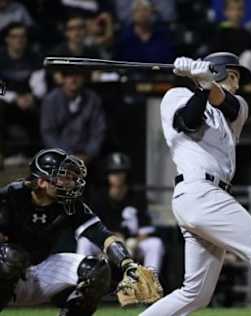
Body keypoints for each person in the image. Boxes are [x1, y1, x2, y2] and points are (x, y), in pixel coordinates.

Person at [140, 52, 251, 316]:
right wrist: (201, 84)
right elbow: (188, 123)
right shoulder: (176, 96)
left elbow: (227, 103)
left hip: (209, 196)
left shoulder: (237, 111)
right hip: (197, 191)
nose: (238, 84)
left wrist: (206, 83)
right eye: (234, 76)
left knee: (195, 294)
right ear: (217, 71)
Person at [0, 148, 161, 314]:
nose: (70, 182)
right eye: (64, 176)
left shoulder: (70, 204)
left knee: (97, 271)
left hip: (40, 268)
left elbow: (102, 235)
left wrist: (127, 263)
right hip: (8, 273)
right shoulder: (10, 196)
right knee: (11, 257)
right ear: (42, 181)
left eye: (71, 176)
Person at [77, 152, 165, 275]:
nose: (117, 176)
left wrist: (133, 242)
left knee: (155, 244)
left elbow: (146, 231)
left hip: (132, 244)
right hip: (105, 244)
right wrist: (113, 239)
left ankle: (151, 283)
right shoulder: (99, 198)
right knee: (84, 242)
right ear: (107, 175)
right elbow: (91, 228)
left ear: (126, 174)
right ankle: (82, 280)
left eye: (120, 172)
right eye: (113, 172)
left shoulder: (137, 198)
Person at [40, 70, 106, 166]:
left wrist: (89, 153)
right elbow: (48, 133)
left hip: (88, 157)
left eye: (77, 76)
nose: (73, 80)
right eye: (68, 76)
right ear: (62, 79)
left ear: (83, 78)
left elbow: (99, 130)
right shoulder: (50, 100)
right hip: (59, 158)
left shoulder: (93, 99)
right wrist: (68, 156)